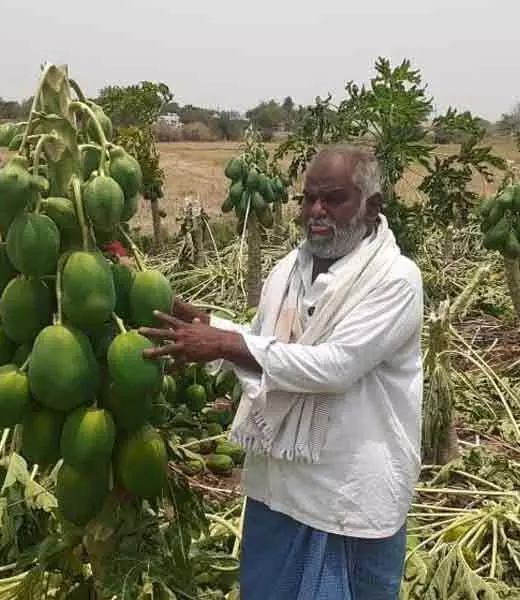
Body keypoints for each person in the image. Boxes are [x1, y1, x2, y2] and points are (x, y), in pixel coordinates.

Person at [138, 145, 424, 599]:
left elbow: (336, 365)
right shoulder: (289, 270)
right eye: (308, 198)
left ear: (372, 207)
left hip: (346, 495)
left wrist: (227, 344)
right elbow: (264, 341)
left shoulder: (395, 280)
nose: (316, 211)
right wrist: (204, 326)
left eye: (333, 199)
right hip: (279, 487)